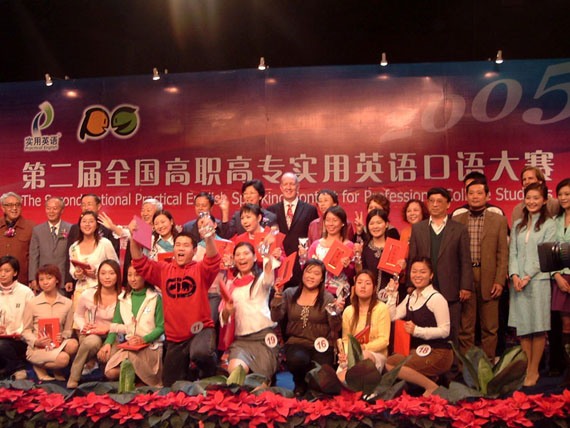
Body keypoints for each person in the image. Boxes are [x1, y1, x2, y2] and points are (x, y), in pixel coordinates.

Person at [129, 216, 221, 387]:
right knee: (170, 385)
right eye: (178, 245)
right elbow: (139, 262)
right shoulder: (163, 269)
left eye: (186, 245)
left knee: (200, 353)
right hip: (175, 338)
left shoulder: (200, 269)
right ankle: (191, 373)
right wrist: (134, 237)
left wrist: (208, 237)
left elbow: (213, 259)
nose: (181, 248)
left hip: (200, 330)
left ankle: (211, 371)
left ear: (194, 251)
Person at [407, 187, 472, 347]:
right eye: (431, 201)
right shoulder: (418, 228)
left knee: (451, 332)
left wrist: (465, 286)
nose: (435, 205)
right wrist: (410, 284)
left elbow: (465, 260)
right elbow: (412, 258)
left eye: (439, 201)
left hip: (451, 289)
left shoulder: (459, 229)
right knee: (423, 329)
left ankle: (451, 363)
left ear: (448, 204)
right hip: (423, 288)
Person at [270, 259, 342, 396]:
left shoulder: (327, 298)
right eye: (308, 272)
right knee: (297, 359)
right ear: (303, 274)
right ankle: (299, 382)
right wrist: (278, 296)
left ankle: (311, 382)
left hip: (321, 346)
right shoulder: (289, 293)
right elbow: (275, 317)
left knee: (319, 386)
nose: (311, 276)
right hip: (297, 343)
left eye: (316, 273)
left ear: (322, 279)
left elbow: (336, 327)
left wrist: (336, 313)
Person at [509, 182, 556, 387]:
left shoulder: (550, 224)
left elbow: (544, 254)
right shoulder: (518, 224)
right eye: (528, 198)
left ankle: (534, 370)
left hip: (538, 281)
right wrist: (514, 275)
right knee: (523, 327)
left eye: (536, 198)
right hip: (518, 283)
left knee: (538, 327)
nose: (531, 201)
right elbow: (513, 252)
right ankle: (526, 367)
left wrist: (527, 276)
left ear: (544, 200)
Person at [455, 179, 509, 360]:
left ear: (487, 196)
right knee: (465, 327)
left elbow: (503, 253)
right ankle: (466, 368)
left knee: (490, 327)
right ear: (466, 196)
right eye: (471, 193)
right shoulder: (457, 220)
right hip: (465, 277)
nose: (475, 196)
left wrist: (500, 281)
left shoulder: (499, 220)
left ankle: (488, 365)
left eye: (479, 193)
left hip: (490, 277)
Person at [386, 257, 453, 397]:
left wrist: (417, 331)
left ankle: (431, 387)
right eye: (414, 271)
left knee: (393, 365)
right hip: (418, 350)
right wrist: (392, 294)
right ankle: (431, 379)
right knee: (391, 361)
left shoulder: (436, 298)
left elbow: (445, 331)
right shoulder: (411, 297)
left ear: (431, 275)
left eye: (422, 272)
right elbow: (392, 316)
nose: (417, 275)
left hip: (439, 352)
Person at [220, 242, 279, 381]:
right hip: (241, 341)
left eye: (246, 253)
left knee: (260, 387)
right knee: (235, 375)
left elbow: (269, 273)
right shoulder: (230, 284)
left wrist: (266, 252)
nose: (242, 257)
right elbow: (223, 317)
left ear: (254, 257)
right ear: (234, 260)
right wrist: (228, 310)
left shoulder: (261, 279)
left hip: (264, 337)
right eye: (238, 255)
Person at [100, 266, 165, 387]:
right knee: (110, 372)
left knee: (128, 359)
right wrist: (108, 342)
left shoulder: (155, 297)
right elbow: (115, 324)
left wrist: (143, 339)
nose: (133, 279)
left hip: (151, 348)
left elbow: (161, 327)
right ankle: (138, 378)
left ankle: (143, 379)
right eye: (129, 275)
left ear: (145, 276)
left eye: (137, 275)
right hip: (131, 347)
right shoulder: (123, 298)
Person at [67, 259, 121, 388]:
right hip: (92, 334)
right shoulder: (88, 294)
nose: (107, 277)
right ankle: (74, 377)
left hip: (113, 335)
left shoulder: (123, 296)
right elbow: (78, 315)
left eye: (111, 273)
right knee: (92, 342)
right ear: (98, 276)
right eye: (103, 273)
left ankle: (104, 368)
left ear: (118, 276)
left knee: (111, 359)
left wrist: (108, 338)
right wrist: (83, 326)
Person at [22, 264, 78, 381]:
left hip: (57, 345)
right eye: (41, 279)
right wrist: (36, 341)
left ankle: (55, 368)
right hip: (38, 348)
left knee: (73, 344)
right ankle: (39, 366)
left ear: (57, 280)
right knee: (63, 359)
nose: (45, 282)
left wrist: (63, 336)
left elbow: (68, 330)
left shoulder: (67, 303)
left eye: (49, 278)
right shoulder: (32, 303)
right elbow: (26, 330)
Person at [337, 270, 390, 382]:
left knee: (364, 356)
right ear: (354, 287)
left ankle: (341, 379)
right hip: (353, 355)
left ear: (374, 288)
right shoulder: (348, 311)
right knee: (345, 365)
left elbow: (384, 341)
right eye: (359, 282)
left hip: (376, 355)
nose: (363, 286)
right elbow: (346, 340)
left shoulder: (381, 308)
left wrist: (364, 348)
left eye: (368, 283)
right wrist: (345, 354)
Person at [268, 173, 319, 288]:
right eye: (285, 184)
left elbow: (314, 238)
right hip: (279, 265)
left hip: (301, 264)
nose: (289, 187)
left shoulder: (310, 210)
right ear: (281, 187)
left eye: (292, 184)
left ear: (298, 187)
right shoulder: (271, 210)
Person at [97, 198, 163, 286]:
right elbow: (126, 233)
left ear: (159, 213)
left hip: (157, 275)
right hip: (139, 275)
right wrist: (113, 227)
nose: (145, 213)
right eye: (143, 210)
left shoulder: (162, 232)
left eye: (148, 210)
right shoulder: (138, 230)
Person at [64, 194, 120, 289]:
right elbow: (71, 264)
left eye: (89, 204)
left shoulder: (105, 241)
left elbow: (115, 264)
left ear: (98, 206)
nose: (86, 207)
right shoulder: (74, 247)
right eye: (83, 204)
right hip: (80, 289)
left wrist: (98, 270)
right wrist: (75, 274)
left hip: (101, 288)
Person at [302, 206, 355, 298]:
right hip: (317, 292)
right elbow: (306, 269)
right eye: (327, 220)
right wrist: (303, 257)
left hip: (339, 293)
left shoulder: (349, 246)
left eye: (335, 220)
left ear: (343, 223)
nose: (330, 224)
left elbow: (352, 274)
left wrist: (346, 266)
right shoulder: (316, 245)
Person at [68, 211, 120, 303]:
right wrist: (76, 274)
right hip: (80, 292)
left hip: (100, 291)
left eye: (91, 221)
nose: (87, 224)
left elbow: (115, 266)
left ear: (97, 225)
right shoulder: (74, 247)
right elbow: (72, 268)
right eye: (84, 221)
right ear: (79, 225)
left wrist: (98, 272)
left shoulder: (104, 244)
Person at [0, 256, 34, 379]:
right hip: (2, 336)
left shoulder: (26, 292)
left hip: (20, 339)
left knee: (1, 345)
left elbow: (32, 319)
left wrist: (20, 332)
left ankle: (19, 368)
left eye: (7, 271)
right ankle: (6, 369)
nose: (2, 274)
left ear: (15, 273)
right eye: (0, 270)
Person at [29, 197, 72, 292]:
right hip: (43, 280)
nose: (51, 212)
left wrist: (70, 279)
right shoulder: (37, 230)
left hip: (62, 280)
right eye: (48, 208)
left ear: (62, 210)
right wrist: (33, 278)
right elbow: (33, 256)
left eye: (55, 208)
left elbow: (72, 255)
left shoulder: (70, 228)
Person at [552, 178, 570, 384]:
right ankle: (568, 371)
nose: (564, 198)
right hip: (560, 278)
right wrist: (556, 275)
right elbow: (549, 252)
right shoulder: (555, 221)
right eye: (561, 194)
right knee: (565, 325)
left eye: (568, 194)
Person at [353, 209, 395, 293]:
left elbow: (397, 276)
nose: (375, 226)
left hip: (389, 294)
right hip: (368, 295)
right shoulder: (364, 247)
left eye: (379, 223)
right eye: (371, 223)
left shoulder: (394, 247)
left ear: (386, 224)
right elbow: (359, 273)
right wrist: (358, 256)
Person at [0, 192, 35, 285]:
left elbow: (34, 256)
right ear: (3, 208)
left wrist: (32, 279)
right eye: (10, 205)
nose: (14, 208)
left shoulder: (31, 227)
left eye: (17, 205)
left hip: (22, 281)